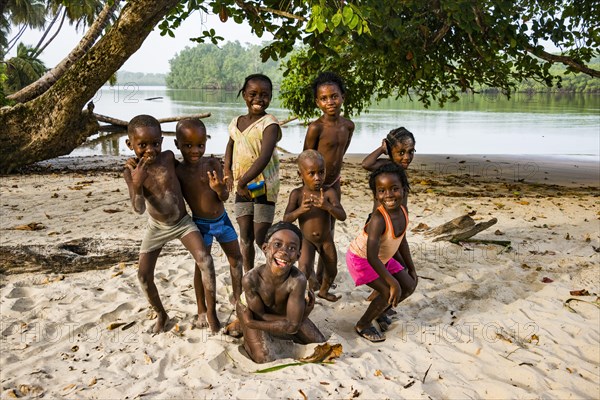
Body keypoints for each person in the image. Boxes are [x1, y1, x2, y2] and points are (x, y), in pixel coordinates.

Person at [123, 114, 220, 334]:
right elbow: (138, 209)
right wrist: (137, 184)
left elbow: (188, 171)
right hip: (156, 227)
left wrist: (210, 167)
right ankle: (161, 314)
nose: (150, 150)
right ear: (130, 145)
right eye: (142, 145)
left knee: (205, 260)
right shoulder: (130, 172)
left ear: (162, 142)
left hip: (182, 222)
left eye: (155, 143)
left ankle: (211, 312)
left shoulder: (167, 158)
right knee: (143, 275)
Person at [174, 119, 243, 328]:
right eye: (187, 146)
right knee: (201, 267)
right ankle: (202, 309)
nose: (195, 150)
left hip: (222, 221)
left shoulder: (212, 164)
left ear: (206, 142)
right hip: (201, 225)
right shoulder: (179, 171)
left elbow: (224, 197)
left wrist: (218, 188)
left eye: (200, 145)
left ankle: (237, 297)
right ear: (177, 145)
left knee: (236, 258)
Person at [346, 163, 418, 342]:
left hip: (382, 257)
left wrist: (411, 268)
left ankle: (380, 312)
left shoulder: (403, 210)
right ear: (376, 194)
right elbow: (371, 256)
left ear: (404, 189)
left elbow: (401, 241)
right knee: (390, 290)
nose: (389, 195)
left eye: (394, 189)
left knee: (409, 285)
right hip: (361, 259)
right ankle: (363, 324)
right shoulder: (378, 219)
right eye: (382, 191)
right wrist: (392, 281)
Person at [236, 221, 326, 363]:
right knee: (263, 357)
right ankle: (242, 327)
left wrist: (252, 324)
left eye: (291, 248)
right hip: (254, 313)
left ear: (297, 256)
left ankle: (248, 326)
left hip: (272, 316)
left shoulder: (298, 280)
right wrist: (249, 321)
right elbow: (260, 316)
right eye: (277, 245)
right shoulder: (251, 279)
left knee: (320, 343)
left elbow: (292, 326)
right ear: (265, 248)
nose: (284, 251)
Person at [224, 73, 281, 272]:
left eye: (264, 94)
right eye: (253, 94)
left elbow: (264, 158)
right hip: (242, 185)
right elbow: (230, 146)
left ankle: (276, 270)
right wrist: (227, 172)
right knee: (245, 235)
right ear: (244, 95)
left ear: (271, 97)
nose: (258, 99)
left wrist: (242, 182)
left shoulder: (270, 124)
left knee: (260, 236)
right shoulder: (236, 122)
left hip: (261, 185)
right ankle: (248, 275)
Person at [303, 71, 355, 287]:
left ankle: (323, 276)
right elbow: (306, 157)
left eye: (334, 96)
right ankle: (310, 275)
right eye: (324, 98)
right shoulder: (316, 127)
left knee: (330, 230)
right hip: (315, 184)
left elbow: (341, 153)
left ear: (342, 96)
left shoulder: (348, 125)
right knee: (314, 229)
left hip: (334, 184)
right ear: (318, 102)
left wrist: (334, 178)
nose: (330, 102)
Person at [283, 150, 346, 302]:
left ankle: (323, 291)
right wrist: (300, 210)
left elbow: (342, 215)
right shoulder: (297, 194)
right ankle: (299, 296)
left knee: (332, 270)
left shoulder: (329, 193)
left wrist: (328, 207)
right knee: (303, 269)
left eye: (321, 172)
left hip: (325, 239)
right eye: (312, 173)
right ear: (301, 175)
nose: (317, 178)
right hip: (307, 240)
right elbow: (286, 219)